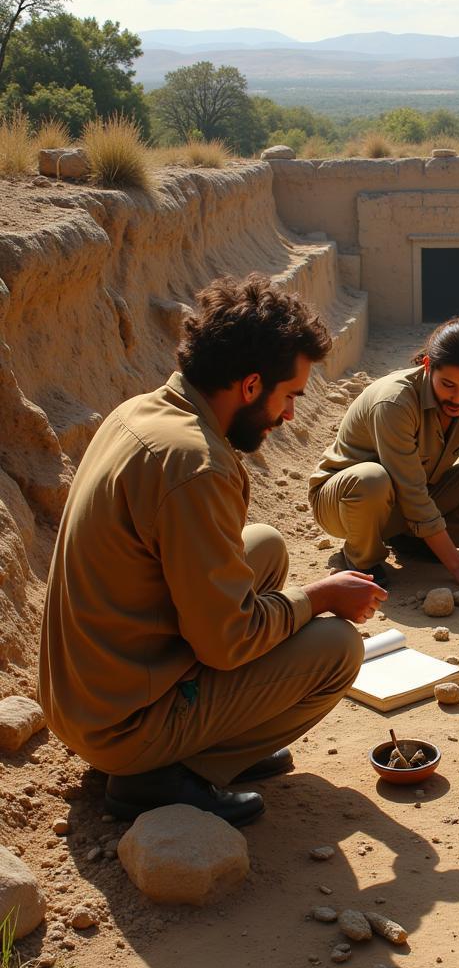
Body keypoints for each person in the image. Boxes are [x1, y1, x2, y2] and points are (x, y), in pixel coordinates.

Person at [38, 275, 387, 827]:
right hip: (119, 726)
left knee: (265, 548)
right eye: (289, 395)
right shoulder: (195, 466)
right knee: (338, 648)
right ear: (251, 386)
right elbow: (228, 642)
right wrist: (320, 597)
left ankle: (215, 736)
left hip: (86, 696)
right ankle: (163, 774)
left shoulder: (144, 411)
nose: (291, 415)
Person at [309, 318, 459, 594]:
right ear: (428, 366)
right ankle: (362, 559)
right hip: (345, 502)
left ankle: (416, 543)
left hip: (404, 501)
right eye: (448, 385)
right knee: (372, 478)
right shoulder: (395, 402)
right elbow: (412, 491)